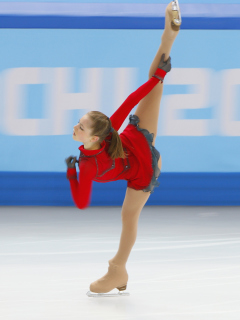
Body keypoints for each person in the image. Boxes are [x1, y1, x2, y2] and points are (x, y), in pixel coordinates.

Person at [65, 1, 181, 296]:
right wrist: (158, 77)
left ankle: (118, 269)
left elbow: (80, 201)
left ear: (93, 138)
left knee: (128, 218)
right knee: (155, 87)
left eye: (80, 126)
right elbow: (130, 100)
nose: (75, 127)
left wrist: (71, 174)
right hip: (136, 140)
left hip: (142, 167)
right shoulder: (108, 130)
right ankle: (167, 40)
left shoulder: (89, 163)